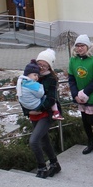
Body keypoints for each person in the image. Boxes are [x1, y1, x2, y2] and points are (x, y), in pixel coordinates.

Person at [21, 49, 63, 178]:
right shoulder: (30, 75)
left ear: (49, 66)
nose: (41, 67)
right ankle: (55, 164)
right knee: (44, 141)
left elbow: (51, 99)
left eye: (45, 65)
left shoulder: (50, 78)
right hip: (34, 114)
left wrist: (38, 108)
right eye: (40, 64)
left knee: (34, 141)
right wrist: (28, 111)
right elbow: (22, 95)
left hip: (46, 113)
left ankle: (42, 167)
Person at [68, 34, 93, 154]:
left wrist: (85, 93)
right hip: (79, 96)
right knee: (84, 120)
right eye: (77, 46)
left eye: (82, 46)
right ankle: (91, 143)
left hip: (92, 94)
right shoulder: (73, 60)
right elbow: (71, 79)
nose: (79, 48)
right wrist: (75, 94)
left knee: (90, 119)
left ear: (87, 47)